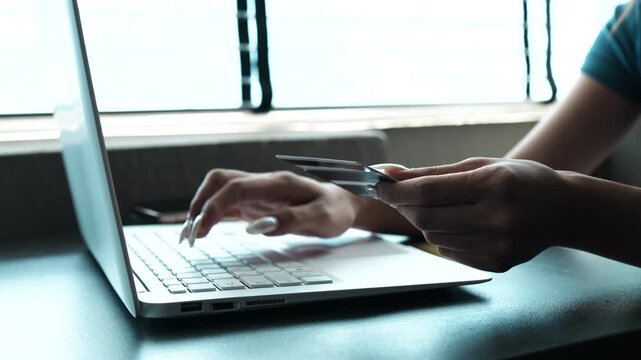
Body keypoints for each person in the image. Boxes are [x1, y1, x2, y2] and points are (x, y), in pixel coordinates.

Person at [180, 1, 641, 272]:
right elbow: (508, 193)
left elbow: (546, 200)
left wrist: (572, 210)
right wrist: (348, 204)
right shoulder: (630, 28)